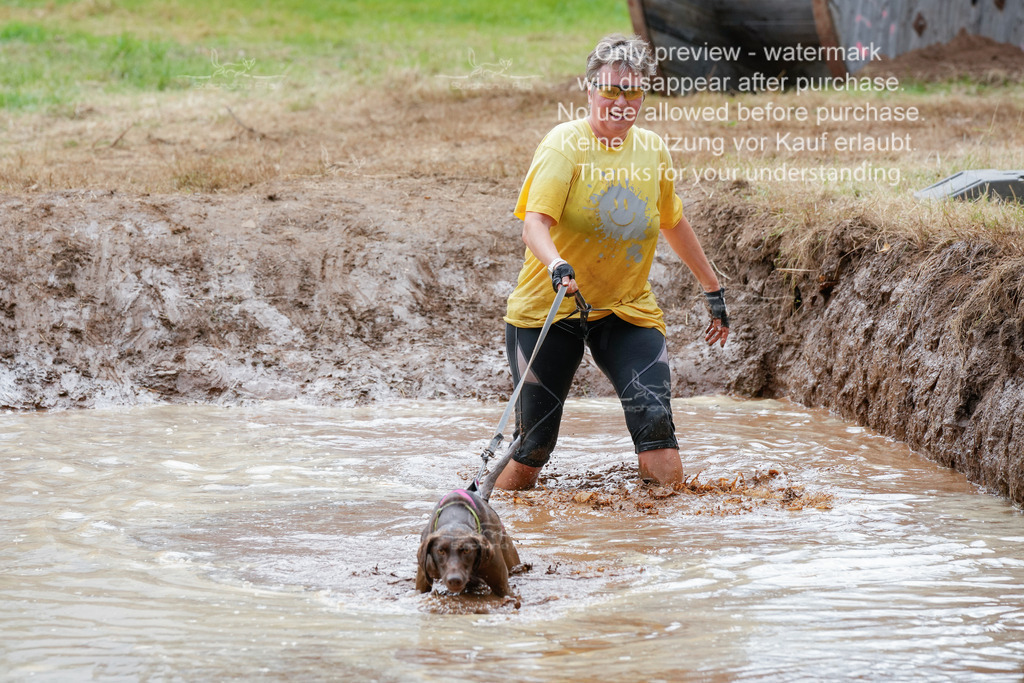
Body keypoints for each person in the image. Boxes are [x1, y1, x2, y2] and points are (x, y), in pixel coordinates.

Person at [494, 34, 731, 491]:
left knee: (658, 429)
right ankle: (499, 527)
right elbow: (534, 226)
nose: (622, 102)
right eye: (611, 91)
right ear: (589, 91)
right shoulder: (564, 145)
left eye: (633, 92)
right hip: (549, 312)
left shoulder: (651, 150)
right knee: (534, 447)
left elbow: (673, 223)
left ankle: (656, 541)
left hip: (626, 310)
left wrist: (712, 288)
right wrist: (557, 264)